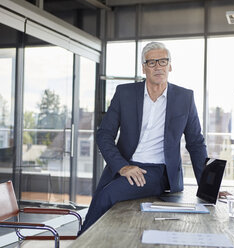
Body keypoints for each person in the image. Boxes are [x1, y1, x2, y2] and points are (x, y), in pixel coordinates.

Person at [79, 42, 207, 234]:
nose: (158, 67)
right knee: (101, 196)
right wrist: (122, 166)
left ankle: (80, 242)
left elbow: (196, 143)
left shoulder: (185, 98)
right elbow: (104, 134)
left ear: (170, 66)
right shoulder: (125, 93)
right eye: (152, 62)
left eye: (163, 61)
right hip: (124, 165)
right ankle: (85, 240)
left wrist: (206, 187)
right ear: (144, 68)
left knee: (109, 194)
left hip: (158, 171)